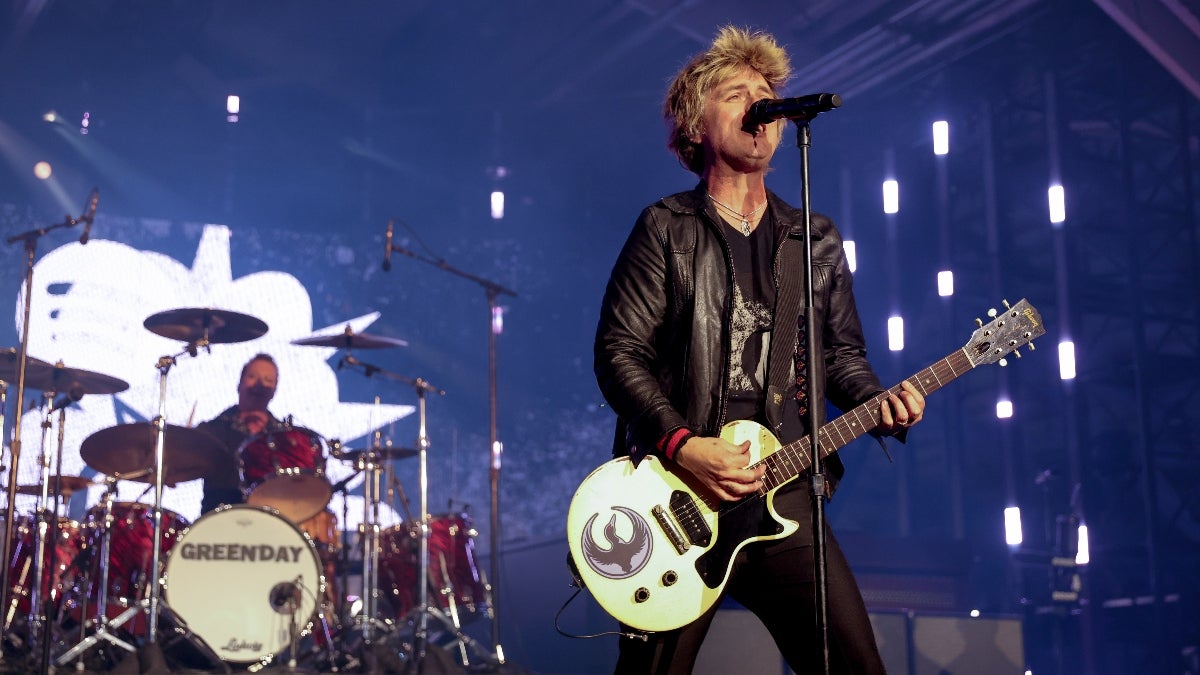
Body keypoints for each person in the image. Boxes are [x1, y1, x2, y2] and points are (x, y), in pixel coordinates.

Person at [593, 26, 926, 674]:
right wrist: (683, 444)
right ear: (696, 125)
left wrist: (879, 399)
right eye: (736, 94)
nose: (759, 106)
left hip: (787, 490)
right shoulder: (667, 228)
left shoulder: (814, 239)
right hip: (680, 491)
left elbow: (841, 357)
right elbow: (619, 352)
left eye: (765, 94)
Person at [196, 352, 284, 515]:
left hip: (271, 521)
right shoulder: (211, 431)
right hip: (217, 521)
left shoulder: (284, 437)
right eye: (252, 376)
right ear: (239, 384)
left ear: (274, 391)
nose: (259, 384)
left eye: (268, 380)